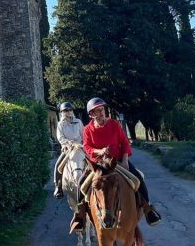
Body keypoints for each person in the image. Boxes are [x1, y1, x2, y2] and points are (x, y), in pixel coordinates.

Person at [69, 97, 162, 232]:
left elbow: (124, 143)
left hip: (117, 161)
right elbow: (87, 147)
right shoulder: (88, 129)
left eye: (102, 109)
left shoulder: (114, 124)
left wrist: (125, 160)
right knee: (81, 183)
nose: (101, 113)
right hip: (98, 165)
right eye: (97, 111)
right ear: (91, 114)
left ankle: (148, 210)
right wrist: (99, 151)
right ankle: (80, 216)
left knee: (138, 178)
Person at [53, 101, 84, 198]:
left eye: (70, 110)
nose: (68, 112)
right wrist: (69, 143)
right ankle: (58, 186)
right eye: (65, 110)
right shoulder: (60, 124)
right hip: (68, 148)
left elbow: (83, 134)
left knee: (92, 161)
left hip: (79, 147)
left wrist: (81, 144)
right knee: (58, 164)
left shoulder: (78, 122)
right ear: (62, 112)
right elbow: (60, 137)